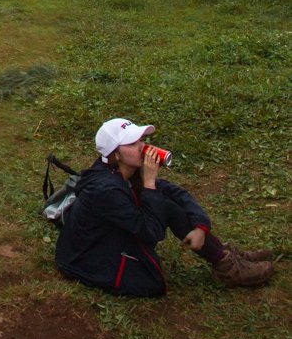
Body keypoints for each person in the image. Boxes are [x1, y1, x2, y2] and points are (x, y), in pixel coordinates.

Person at [55, 118, 275, 296]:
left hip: (104, 240)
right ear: (116, 154)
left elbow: (175, 192)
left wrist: (201, 226)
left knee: (168, 202)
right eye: (133, 144)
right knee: (163, 209)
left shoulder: (124, 171)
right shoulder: (106, 189)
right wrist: (150, 185)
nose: (143, 147)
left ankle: (224, 258)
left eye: (141, 140)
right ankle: (224, 263)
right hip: (87, 259)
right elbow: (150, 232)